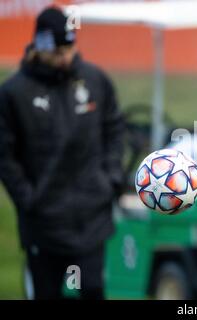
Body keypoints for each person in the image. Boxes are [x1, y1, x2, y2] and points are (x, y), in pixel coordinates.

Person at [0, 7, 124, 299]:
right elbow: (4, 156)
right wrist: (28, 198)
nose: (65, 57)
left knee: (91, 290)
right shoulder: (14, 93)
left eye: (69, 48)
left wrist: (111, 179)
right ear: (40, 47)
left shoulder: (95, 81)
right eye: (57, 51)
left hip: (92, 217)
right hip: (44, 223)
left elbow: (115, 129)